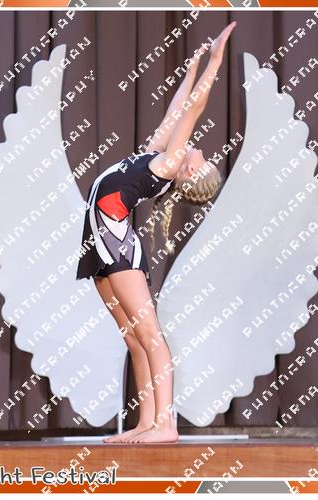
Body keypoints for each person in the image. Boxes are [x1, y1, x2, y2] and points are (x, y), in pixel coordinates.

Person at [75, 21, 236, 444]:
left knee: (149, 334)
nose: (201, 150)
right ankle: (146, 423)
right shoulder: (156, 155)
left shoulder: (165, 166)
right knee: (132, 337)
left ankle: (167, 425)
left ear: (189, 172)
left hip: (118, 247)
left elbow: (194, 110)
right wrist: (191, 68)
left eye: (202, 159)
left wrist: (216, 61)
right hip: (100, 244)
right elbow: (177, 113)